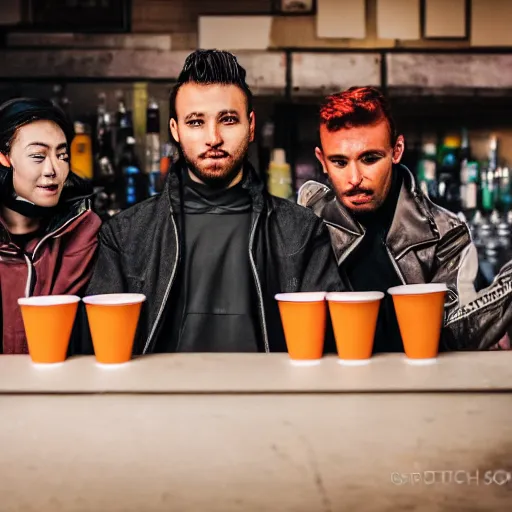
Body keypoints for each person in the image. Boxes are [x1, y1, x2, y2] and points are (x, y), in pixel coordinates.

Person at [86, 49, 343, 354]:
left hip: (270, 399)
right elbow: (98, 352)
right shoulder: (126, 235)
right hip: (161, 400)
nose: (213, 138)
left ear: (250, 127)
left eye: (228, 120)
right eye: (195, 122)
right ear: (175, 130)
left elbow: (329, 350)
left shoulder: (301, 232)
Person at [298, 86, 512, 351]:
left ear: (396, 150)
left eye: (370, 158)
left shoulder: (446, 234)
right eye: (340, 162)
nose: (354, 179)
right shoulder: (305, 224)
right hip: (328, 386)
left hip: (418, 386)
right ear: (322, 160)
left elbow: (456, 334)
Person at [0, 98, 101, 354]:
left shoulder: (86, 233)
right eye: (37, 156)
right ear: (3, 159)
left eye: (62, 155)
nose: (53, 169)